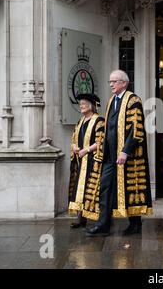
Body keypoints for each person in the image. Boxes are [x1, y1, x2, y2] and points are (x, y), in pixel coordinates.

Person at [86, 70, 153, 236]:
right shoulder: (111, 102)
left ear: (124, 83)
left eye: (114, 81)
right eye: (110, 82)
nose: (111, 85)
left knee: (132, 188)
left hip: (127, 155)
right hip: (109, 155)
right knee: (105, 187)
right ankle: (103, 225)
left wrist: (125, 151)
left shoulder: (133, 100)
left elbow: (136, 129)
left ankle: (135, 224)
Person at [68, 93, 105, 228]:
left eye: (84, 104)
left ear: (91, 105)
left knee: (94, 191)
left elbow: (101, 141)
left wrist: (86, 150)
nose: (81, 106)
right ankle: (81, 218)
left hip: (94, 161)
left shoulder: (99, 120)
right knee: (80, 189)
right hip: (81, 161)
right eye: (81, 104)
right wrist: (75, 147)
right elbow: (74, 138)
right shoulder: (81, 121)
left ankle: (101, 220)